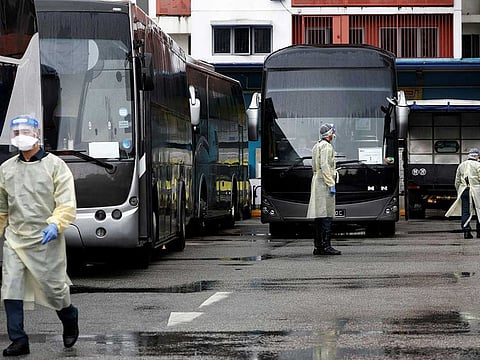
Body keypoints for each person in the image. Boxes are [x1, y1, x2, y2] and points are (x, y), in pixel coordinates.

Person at [0, 116, 79, 356]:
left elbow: (66, 202)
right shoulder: (6, 169)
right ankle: (19, 339)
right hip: (15, 239)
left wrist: (56, 224)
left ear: (36, 135)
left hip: (47, 240)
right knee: (10, 288)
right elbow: (2, 208)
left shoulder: (55, 166)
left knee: (55, 290)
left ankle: (69, 316)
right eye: (17, 132)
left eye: (25, 131)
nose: (21, 136)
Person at [306, 123, 341, 255]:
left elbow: (315, 165)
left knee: (319, 215)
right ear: (329, 134)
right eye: (333, 132)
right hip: (324, 182)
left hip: (317, 181)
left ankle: (318, 246)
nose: (334, 135)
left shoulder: (317, 145)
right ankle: (326, 246)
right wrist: (331, 183)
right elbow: (325, 165)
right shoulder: (326, 146)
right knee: (326, 215)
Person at [445, 147, 480, 239]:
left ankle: (466, 231)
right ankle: (479, 232)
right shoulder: (478, 165)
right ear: (476, 156)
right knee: (479, 210)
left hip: (464, 190)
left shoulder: (461, 165)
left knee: (465, 211)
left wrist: (459, 190)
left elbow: (457, 181)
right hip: (476, 191)